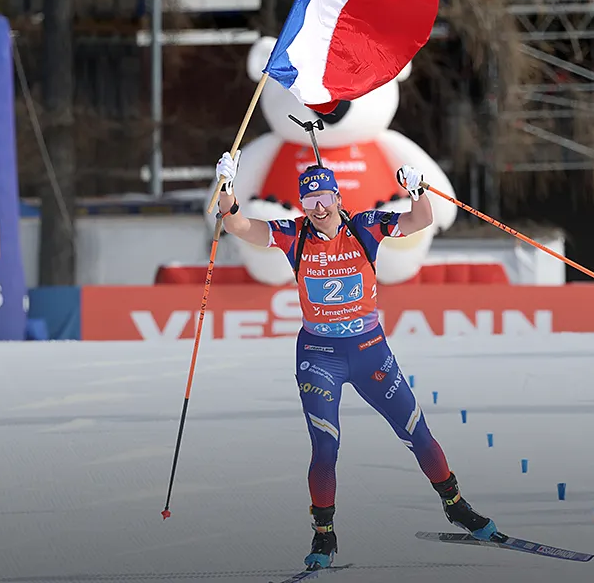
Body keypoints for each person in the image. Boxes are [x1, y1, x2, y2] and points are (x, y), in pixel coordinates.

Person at [214, 151, 501, 570]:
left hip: (370, 352)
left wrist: (417, 189)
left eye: (324, 197)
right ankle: (323, 535)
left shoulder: (365, 227)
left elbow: (421, 220)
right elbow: (237, 225)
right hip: (319, 356)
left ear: (336, 195)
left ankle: (456, 506)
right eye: (309, 201)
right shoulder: (293, 234)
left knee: (416, 432)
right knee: (325, 448)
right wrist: (227, 187)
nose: (318, 208)